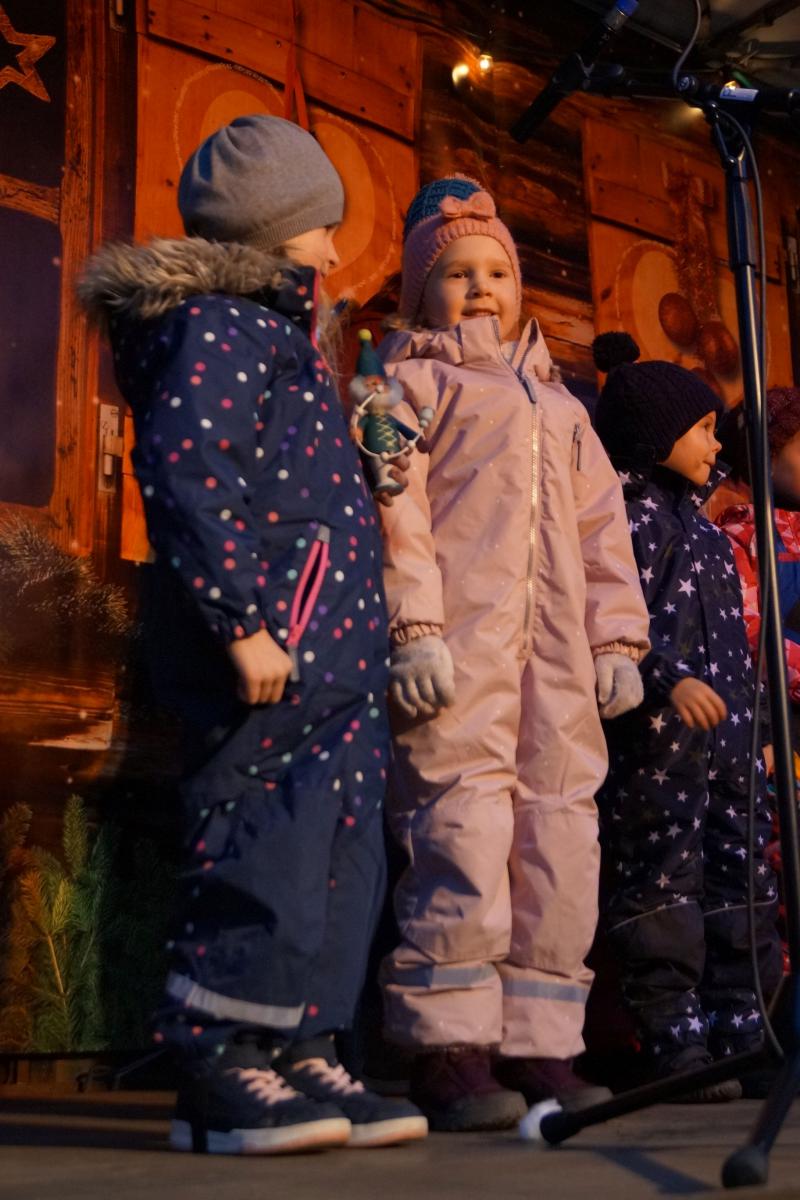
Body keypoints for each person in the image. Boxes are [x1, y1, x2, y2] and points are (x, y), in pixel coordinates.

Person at [79, 114, 426, 1155]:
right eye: (323, 225)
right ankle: (221, 1060)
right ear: (275, 226)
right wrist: (241, 622)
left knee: (337, 849)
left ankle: (303, 1044)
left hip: (333, 660)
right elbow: (191, 475)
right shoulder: (214, 329)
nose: (334, 245)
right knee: (260, 837)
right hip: (271, 647)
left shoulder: (288, 339)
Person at [376, 175, 652, 1132]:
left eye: (496, 272)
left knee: (560, 833)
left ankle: (541, 1041)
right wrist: (413, 627)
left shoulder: (562, 407)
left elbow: (602, 529)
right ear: (421, 291)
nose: (481, 288)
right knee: (462, 825)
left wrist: (616, 639)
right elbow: (395, 513)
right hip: (461, 651)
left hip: (558, 662)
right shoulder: (407, 386)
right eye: (456, 274)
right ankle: (450, 1045)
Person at [592, 331, 782, 1101]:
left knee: (743, 879)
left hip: (731, 743)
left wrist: (760, 729)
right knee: (663, 881)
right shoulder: (626, 522)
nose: (716, 443)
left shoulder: (706, 533)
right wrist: (665, 680)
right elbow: (614, 626)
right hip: (660, 746)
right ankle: (676, 1040)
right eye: (702, 428)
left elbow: (739, 641)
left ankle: (746, 1033)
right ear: (655, 434)